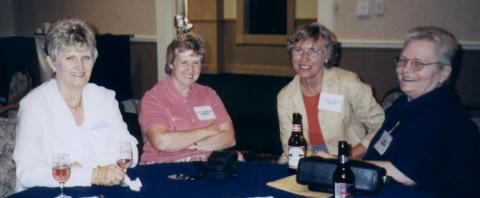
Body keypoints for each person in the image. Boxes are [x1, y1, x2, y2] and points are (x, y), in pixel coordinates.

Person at [13, 18, 139, 191]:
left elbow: (130, 150)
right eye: (70, 58)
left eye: (86, 57)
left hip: (97, 191)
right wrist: (93, 174)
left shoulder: (105, 98)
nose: (80, 66)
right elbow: (27, 172)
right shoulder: (34, 105)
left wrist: (83, 168)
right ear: (52, 63)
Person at [364, 26, 480, 197]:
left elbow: (405, 174)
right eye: (403, 60)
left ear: (444, 73)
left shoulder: (444, 116)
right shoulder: (400, 105)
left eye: (418, 63)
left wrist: (342, 165)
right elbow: (376, 155)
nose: (405, 69)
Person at [277, 23, 385, 163]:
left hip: (351, 160)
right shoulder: (285, 96)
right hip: (305, 160)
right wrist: (316, 163)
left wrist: (348, 156)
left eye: (313, 51)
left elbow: (381, 126)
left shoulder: (348, 83)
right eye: (298, 50)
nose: (304, 58)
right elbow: (288, 145)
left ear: (326, 56)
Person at [139, 32, 235, 164]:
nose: (190, 70)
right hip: (166, 167)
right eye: (184, 62)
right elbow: (161, 142)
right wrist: (206, 131)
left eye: (196, 63)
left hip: (208, 164)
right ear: (171, 64)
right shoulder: (153, 98)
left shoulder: (209, 94)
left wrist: (193, 145)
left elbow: (229, 138)